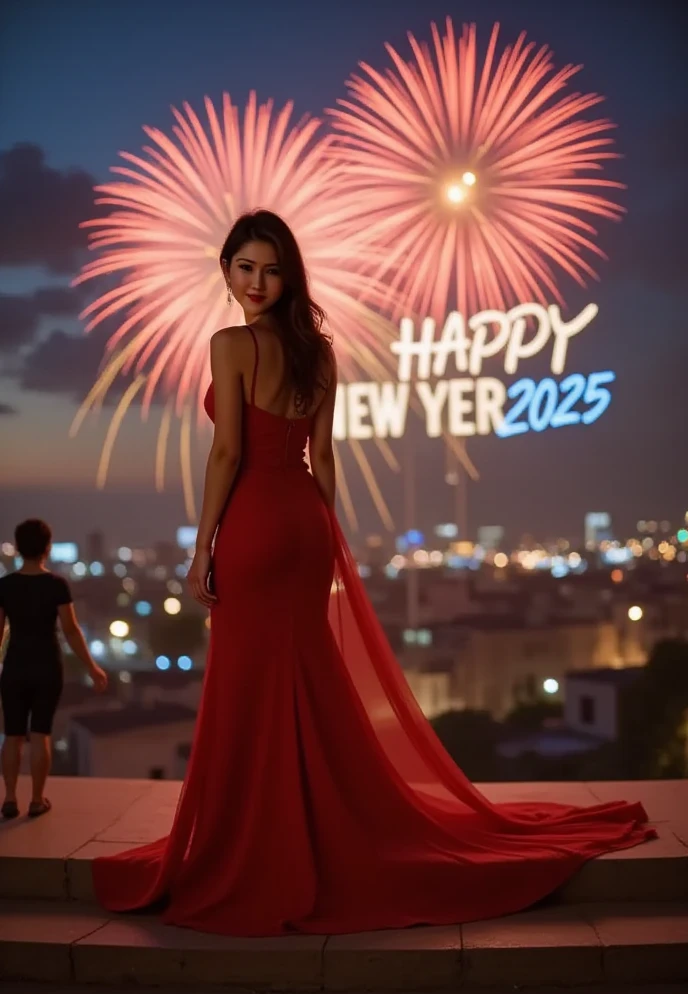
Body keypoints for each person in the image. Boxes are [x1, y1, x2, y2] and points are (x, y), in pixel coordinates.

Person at [91, 210, 655, 937]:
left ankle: (262, 838)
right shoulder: (319, 352)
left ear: (286, 274)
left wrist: (203, 546)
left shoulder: (230, 344)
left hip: (257, 523)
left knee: (247, 680)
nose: (257, 282)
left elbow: (228, 453)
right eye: (246, 268)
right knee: (306, 677)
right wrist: (327, 533)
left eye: (269, 269)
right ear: (226, 268)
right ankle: (311, 822)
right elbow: (324, 458)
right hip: (305, 522)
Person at [0, 519, 107, 819]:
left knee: (12, 734)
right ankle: (36, 799)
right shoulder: (57, 585)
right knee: (41, 733)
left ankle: (9, 798)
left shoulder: (4, 586)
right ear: (47, 548)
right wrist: (93, 668)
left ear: (19, 548)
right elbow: (71, 631)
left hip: (15, 667)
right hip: (47, 666)